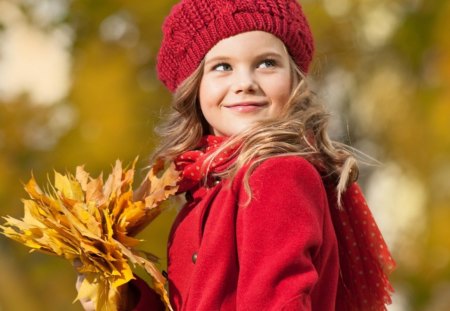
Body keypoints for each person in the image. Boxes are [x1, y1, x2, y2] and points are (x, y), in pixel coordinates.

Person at [77, 0, 396, 310]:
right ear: (194, 87)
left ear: (294, 78)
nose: (245, 83)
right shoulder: (203, 190)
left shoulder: (278, 176)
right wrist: (127, 299)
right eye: (222, 67)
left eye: (267, 63)